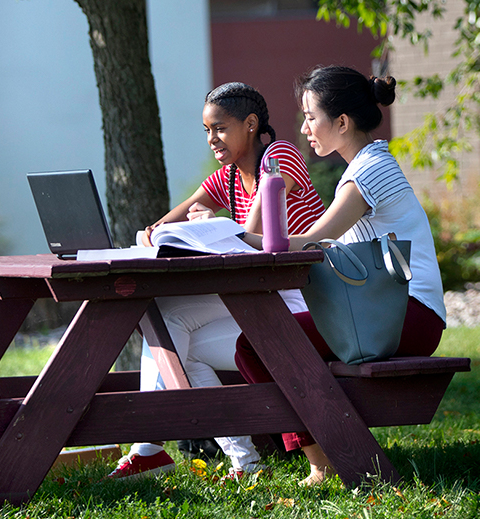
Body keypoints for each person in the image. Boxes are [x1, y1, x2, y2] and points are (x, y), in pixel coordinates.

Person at [235, 65, 447, 487]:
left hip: (407, 316)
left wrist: (236, 238)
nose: (304, 127)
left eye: (311, 116)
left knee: (260, 343)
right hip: (387, 313)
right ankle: (328, 445)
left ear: (343, 122)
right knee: (261, 342)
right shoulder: (365, 166)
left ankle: (323, 455)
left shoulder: (368, 171)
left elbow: (315, 240)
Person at [107, 82, 325, 481]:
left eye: (220, 128)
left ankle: (149, 450)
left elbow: (255, 236)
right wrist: (155, 235)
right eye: (207, 130)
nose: (212, 139)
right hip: (260, 297)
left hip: (305, 304)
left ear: (250, 124)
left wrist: (217, 227)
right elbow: (163, 225)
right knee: (173, 333)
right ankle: (240, 462)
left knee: (171, 325)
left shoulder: (279, 158)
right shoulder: (226, 178)